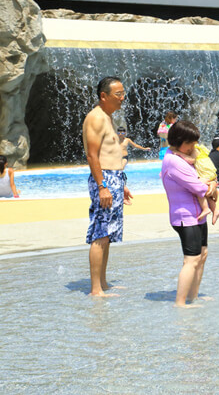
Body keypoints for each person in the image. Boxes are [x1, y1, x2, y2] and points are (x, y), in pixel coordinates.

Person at [82, 76, 133, 297]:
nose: (123, 98)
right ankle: (95, 289)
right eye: (118, 94)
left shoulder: (107, 117)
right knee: (100, 232)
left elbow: (110, 154)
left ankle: (103, 283)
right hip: (104, 179)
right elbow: (92, 155)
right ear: (104, 96)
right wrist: (103, 186)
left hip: (113, 179)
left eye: (123, 93)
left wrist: (120, 185)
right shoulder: (95, 118)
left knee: (108, 235)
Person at [161, 120, 218, 308]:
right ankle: (180, 302)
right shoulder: (174, 162)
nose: (193, 146)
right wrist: (210, 184)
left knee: (202, 254)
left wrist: (209, 183)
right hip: (185, 217)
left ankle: (193, 296)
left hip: (197, 215)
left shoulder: (180, 156)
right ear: (178, 141)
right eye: (190, 143)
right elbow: (198, 186)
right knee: (191, 259)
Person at [171, 142, 219, 225]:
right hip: (210, 172)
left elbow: (191, 160)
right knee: (205, 192)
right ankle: (215, 210)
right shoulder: (200, 148)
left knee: (199, 190)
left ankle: (206, 208)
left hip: (206, 173)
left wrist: (179, 154)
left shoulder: (194, 150)